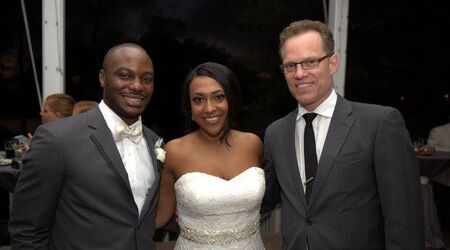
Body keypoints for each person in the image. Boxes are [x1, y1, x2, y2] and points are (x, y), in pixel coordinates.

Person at [261, 20, 424, 249]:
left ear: (333, 63)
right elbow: (264, 200)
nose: (299, 73)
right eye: (290, 65)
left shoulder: (379, 123)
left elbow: (405, 222)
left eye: (310, 62)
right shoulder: (275, 134)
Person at [9, 43, 162, 249]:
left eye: (147, 79)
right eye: (125, 76)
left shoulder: (155, 143)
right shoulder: (56, 138)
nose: (137, 86)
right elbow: (27, 230)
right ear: (102, 78)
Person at [155, 62, 265, 249]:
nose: (209, 108)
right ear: (189, 108)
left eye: (219, 97)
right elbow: (161, 215)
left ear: (232, 100)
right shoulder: (174, 151)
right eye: (198, 100)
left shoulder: (253, 144)